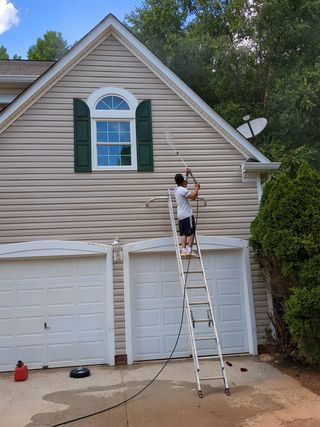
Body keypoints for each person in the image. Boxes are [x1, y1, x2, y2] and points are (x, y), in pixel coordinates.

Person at [174, 168, 200, 256]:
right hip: (187, 214)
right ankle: (189, 250)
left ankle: (183, 250)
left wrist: (187, 174)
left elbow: (184, 184)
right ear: (182, 181)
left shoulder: (177, 189)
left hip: (180, 215)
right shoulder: (183, 190)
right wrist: (197, 189)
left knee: (183, 233)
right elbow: (193, 197)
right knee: (191, 232)